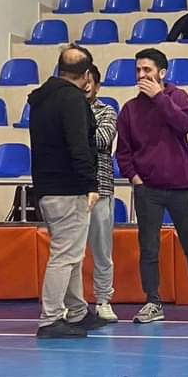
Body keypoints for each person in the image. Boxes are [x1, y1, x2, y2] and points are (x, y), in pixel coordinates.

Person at [116, 48, 188, 325]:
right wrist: (135, 178)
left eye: (146, 70)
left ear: (162, 73)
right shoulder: (130, 110)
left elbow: (183, 125)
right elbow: (123, 151)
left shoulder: (177, 97)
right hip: (148, 189)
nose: (141, 75)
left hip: (181, 186)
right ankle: (152, 302)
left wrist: (159, 98)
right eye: (138, 71)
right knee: (148, 248)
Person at [29, 45, 109, 338]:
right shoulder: (73, 100)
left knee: (70, 251)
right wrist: (90, 183)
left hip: (47, 185)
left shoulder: (40, 99)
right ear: (87, 75)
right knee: (65, 254)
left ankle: (76, 311)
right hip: (69, 187)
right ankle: (50, 317)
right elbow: (79, 145)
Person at [83, 64, 118, 322]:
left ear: (97, 85)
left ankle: (104, 299)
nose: (85, 87)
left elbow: (102, 140)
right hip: (71, 190)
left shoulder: (107, 111)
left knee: (102, 250)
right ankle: (70, 302)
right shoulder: (65, 110)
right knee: (69, 252)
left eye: (89, 82)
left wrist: (73, 131)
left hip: (101, 187)